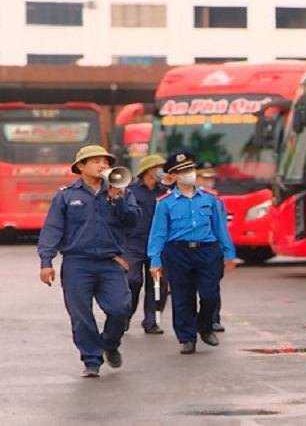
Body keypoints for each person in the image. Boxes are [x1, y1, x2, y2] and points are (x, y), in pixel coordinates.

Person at [38, 145, 141, 377]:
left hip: (110, 261)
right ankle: (91, 360)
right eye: (95, 161)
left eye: (105, 161)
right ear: (81, 167)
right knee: (81, 314)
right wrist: (46, 261)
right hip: (77, 263)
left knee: (121, 307)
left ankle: (111, 343)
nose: (102, 165)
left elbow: (133, 221)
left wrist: (119, 200)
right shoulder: (66, 195)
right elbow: (52, 229)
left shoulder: (122, 190)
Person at [148, 151, 236, 355]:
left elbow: (220, 227)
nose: (189, 174)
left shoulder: (209, 199)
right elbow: (158, 233)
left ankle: (205, 327)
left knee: (210, 294)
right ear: (174, 176)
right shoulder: (165, 203)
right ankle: (187, 338)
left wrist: (229, 253)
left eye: (190, 169)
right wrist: (155, 259)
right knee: (182, 297)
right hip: (178, 252)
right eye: (183, 171)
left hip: (207, 251)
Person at [125, 154, 170, 335]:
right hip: (133, 243)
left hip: (159, 244)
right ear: (147, 170)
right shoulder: (131, 191)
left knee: (158, 284)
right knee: (132, 280)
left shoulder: (165, 191)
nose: (160, 170)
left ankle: (151, 321)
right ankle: (125, 316)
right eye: (157, 167)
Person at [195, 160, 226, 332]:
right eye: (203, 177)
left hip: (212, 248)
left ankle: (214, 319)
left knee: (212, 286)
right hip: (189, 249)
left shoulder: (214, 197)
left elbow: (221, 225)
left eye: (210, 177)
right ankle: (193, 323)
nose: (207, 180)